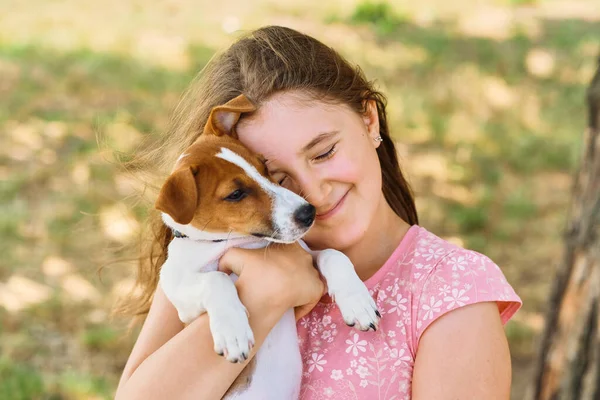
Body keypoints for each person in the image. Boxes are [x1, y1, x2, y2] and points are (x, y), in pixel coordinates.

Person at [115, 25, 522, 399]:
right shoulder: (214, 259)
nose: (312, 193)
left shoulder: (451, 292)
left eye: (324, 152)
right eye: (275, 176)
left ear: (369, 120)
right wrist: (262, 297)